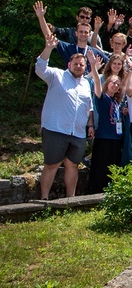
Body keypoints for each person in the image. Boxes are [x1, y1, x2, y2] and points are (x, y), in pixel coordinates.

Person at [35, 35, 93, 199]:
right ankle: (44, 199)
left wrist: (90, 125)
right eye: (75, 64)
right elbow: (40, 68)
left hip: (78, 133)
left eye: (81, 64)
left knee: (73, 165)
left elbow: (89, 107)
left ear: (85, 66)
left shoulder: (86, 84)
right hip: (55, 129)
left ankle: (70, 199)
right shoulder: (56, 75)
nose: (78, 67)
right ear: (69, 65)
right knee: (52, 164)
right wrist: (48, 48)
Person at [87, 52, 124, 194]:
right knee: (100, 167)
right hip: (103, 137)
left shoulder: (116, 102)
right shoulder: (102, 98)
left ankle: (109, 192)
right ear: (107, 84)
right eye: (113, 83)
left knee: (112, 167)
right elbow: (96, 82)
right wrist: (93, 67)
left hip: (116, 138)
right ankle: (94, 193)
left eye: (118, 84)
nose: (115, 86)